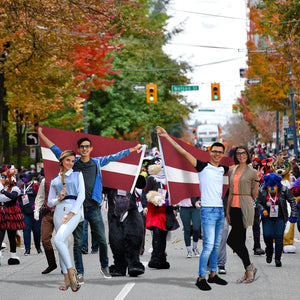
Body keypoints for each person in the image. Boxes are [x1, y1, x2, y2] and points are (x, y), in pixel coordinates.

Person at [38, 127, 142, 283]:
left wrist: (132, 149)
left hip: (93, 207)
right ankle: (80, 272)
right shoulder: (73, 164)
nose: (85, 149)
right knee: (78, 243)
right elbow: (56, 150)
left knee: (101, 239)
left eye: (87, 146)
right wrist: (41, 135)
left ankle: (104, 267)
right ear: (79, 149)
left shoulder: (97, 162)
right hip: (77, 209)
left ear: (91, 148)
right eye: (82, 147)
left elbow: (115, 156)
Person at [156, 126, 228, 291]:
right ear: (210, 152)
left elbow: (239, 169)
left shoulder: (223, 169)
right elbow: (182, 152)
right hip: (208, 210)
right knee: (209, 245)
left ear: (223, 154)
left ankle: (213, 274)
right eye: (214, 151)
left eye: (220, 152)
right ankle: (201, 277)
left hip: (219, 210)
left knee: (216, 245)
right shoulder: (202, 166)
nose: (217, 154)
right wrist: (167, 136)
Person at [48, 150, 85, 292]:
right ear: (62, 160)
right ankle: (66, 279)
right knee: (61, 243)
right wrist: (58, 199)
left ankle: (71, 274)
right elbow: (50, 203)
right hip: (59, 211)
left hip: (73, 211)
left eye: (72, 160)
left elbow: (81, 196)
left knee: (58, 240)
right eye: (68, 160)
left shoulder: (77, 175)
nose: (70, 163)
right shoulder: (55, 180)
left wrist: (70, 214)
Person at [226, 146, 262, 284]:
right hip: (233, 206)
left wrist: (258, 181)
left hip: (245, 205)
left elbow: (254, 195)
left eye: (243, 153)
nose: (241, 156)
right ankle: (248, 270)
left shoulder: (252, 172)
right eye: (238, 154)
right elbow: (230, 191)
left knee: (232, 240)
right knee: (239, 241)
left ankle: (249, 267)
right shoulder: (232, 170)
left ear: (247, 155)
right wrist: (227, 211)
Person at [257, 172, 298, 267]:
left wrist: (294, 214)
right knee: (267, 235)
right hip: (267, 218)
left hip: (280, 217)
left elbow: (292, 200)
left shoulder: (284, 190)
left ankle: (278, 259)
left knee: (279, 237)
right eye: (270, 186)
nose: (272, 189)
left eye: (274, 186)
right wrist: (262, 210)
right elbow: (258, 202)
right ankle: (269, 251)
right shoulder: (262, 190)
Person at [0, 165, 25, 266]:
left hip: (11, 212)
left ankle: (13, 255)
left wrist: (3, 191)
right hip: (1, 211)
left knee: (11, 235)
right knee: (0, 234)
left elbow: (13, 196)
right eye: (2, 177)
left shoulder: (14, 188)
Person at [34, 178, 57, 274]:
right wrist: (36, 211)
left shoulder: (67, 177)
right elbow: (40, 197)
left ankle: (65, 265)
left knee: (62, 241)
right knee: (45, 239)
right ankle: (52, 264)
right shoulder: (45, 181)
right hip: (47, 213)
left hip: (61, 213)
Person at [19, 172, 42, 255]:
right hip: (25, 212)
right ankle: (27, 249)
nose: (24, 179)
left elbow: (40, 196)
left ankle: (38, 248)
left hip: (35, 212)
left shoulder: (36, 186)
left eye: (25, 177)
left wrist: (36, 205)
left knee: (37, 230)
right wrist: (18, 203)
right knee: (26, 230)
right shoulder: (21, 186)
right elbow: (18, 196)